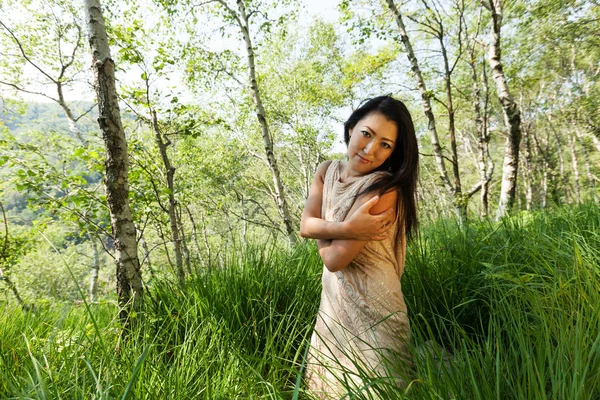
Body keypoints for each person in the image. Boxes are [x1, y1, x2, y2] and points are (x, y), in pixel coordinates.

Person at [299, 95, 419, 398]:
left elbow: (334, 257)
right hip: (334, 303)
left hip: (374, 302)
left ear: (394, 153)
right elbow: (304, 226)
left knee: (381, 390)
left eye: (385, 144)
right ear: (351, 127)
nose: (370, 149)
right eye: (366, 134)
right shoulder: (326, 171)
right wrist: (348, 228)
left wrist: (322, 231)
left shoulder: (384, 189)